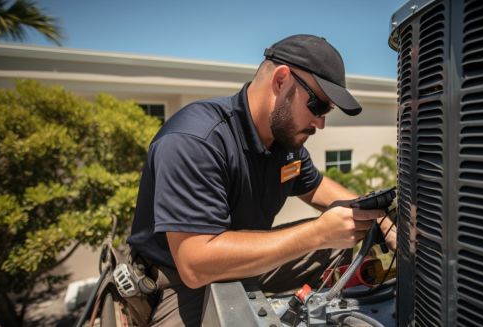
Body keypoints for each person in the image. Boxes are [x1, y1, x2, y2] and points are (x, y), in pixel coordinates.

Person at [127, 34, 397, 326]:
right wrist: (317, 233)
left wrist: (377, 216)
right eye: (318, 106)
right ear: (281, 81)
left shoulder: (284, 145)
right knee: (325, 235)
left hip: (243, 261)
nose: (321, 123)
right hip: (179, 281)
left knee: (339, 235)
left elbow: (317, 187)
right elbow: (195, 264)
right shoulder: (196, 141)